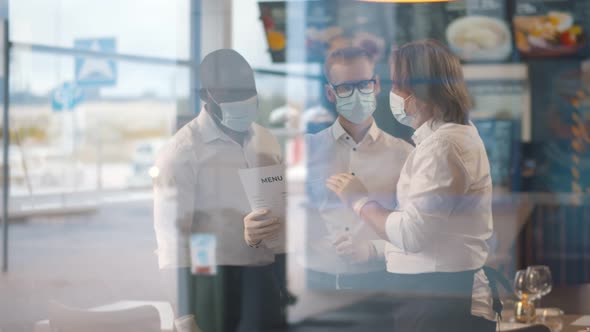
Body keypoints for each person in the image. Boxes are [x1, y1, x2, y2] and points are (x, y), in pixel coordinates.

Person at [326, 40, 499, 331]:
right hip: (435, 291)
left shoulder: (443, 146)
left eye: (398, 84)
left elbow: (412, 234)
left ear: (421, 91)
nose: (393, 93)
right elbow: (432, 230)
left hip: (440, 297)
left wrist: (359, 201)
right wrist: (374, 250)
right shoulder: (446, 139)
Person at [153, 49, 287, 332]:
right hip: (212, 280)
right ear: (206, 95)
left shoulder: (265, 140)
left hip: (263, 277)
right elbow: (171, 245)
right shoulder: (182, 154)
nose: (243, 100)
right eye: (232, 93)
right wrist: (184, 316)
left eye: (248, 90)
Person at [304, 47, 413, 290]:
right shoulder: (307, 150)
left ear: (375, 85)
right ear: (330, 94)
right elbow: (290, 216)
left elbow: (413, 230)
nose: (356, 94)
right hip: (316, 282)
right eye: (344, 87)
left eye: (363, 84)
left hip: (379, 284)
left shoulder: (404, 154)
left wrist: (372, 249)